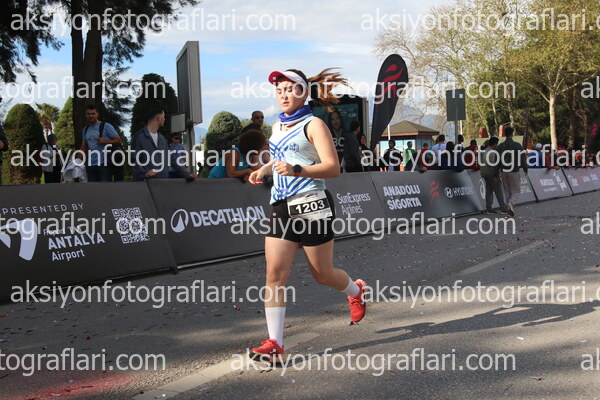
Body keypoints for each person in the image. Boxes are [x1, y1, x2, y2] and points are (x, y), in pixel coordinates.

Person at [248, 68, 367, 360]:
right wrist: (266, 168)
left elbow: (333, 168)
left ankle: (355, 291)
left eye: (290, 89)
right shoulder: (276, 125)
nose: (283, 95)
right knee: (274, 274)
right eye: (279, 90)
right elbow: (282, 157)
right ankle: (275, 344)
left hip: (312, 204)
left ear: (303, 92)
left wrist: (297, 169)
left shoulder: (314, 124)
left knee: (322, 274)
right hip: (281, 205)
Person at [132, 102, 197, 182]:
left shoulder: (162, 139)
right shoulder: (139, 137)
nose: (164, 119)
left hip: (163, 185)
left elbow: (171, 159)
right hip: (146, 186)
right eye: (163, 116)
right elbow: (134, 161)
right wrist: (145, 174)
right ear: (158, 117)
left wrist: (186, 174)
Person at [79, 105, 122, 182]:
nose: (90, 116)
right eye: (88, 114)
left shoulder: (106, 126)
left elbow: (119, 140)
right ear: (85, 115)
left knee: (104, 188)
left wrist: (105, 141)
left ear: (97, 114)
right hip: (91, 164)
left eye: (93, 113)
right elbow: (83, 146)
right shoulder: (85, 129)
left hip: (104, 164)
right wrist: (77, 161)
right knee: (92, 188)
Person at [497, 126, 527, 215]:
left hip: (503, 170)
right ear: (512, 134)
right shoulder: (517, 145)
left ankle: (509, 209)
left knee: (507, 191)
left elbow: (496, 160)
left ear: (504, 134)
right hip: (514, 170)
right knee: (516, 191)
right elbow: (522, 158)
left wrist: (496, 172)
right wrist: (525, 168)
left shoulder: (500, 146)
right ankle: (511, 203)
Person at [479, 137, 511, 216]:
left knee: (489, 191)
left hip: (485, 173)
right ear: (494, 144)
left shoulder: (485, 151)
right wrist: (496, 174)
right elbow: (493, 165)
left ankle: (489, 208)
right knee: (499, 191)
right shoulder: (492, 153)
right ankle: (503, 208)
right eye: (497, 144)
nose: (497, 145)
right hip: (492, 174)